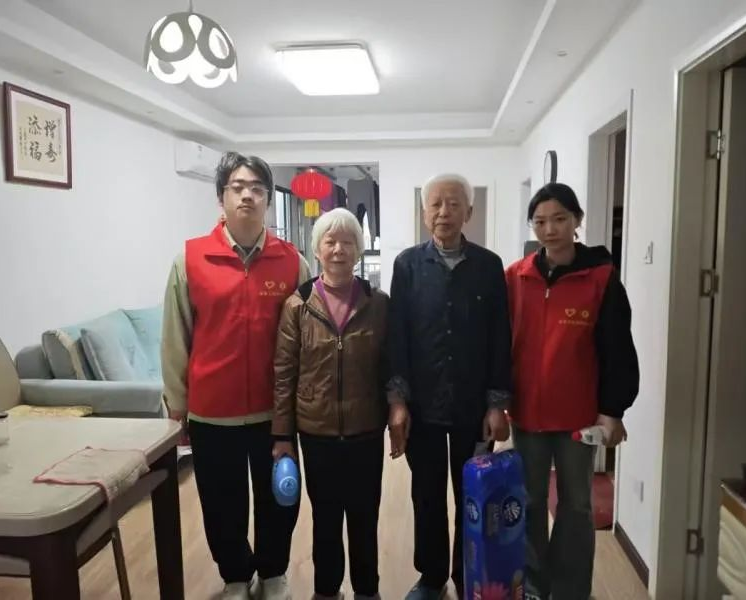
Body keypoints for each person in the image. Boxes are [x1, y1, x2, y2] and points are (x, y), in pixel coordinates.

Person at [161, 152, 311, 600]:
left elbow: (307, 339)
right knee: (220, 501)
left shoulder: (292, 262)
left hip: (275, 411)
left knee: (279, 496)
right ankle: (235, 577)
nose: (248, 195)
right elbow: (175, 336)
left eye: (257, 188)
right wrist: (177, 404)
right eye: (238, 187)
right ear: (222, 197)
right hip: (213, 410)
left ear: (268, 199)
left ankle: (273, 573)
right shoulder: (191, 260)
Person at [505, 183, 639, 600]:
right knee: (529, 501)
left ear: (577, 220)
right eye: (540, 221)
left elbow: (618, 348)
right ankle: (533, 586)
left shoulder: (601, 278)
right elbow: (499, 343)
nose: (550, 229)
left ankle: (570, 590)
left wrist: (612, 410)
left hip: (579, 417)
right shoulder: (516, 276)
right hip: (527, 413)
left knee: (577, 505)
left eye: (559, 219)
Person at [388, 174, 512, 600]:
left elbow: (500, 337)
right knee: (426, 493)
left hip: (473, 406)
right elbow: (398, 336)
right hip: (422, 406)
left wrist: (497, 404)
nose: (444, 212)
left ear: (469, 212)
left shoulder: (489, 266)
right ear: (424, 213)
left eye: (454, 204)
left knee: (472, 494)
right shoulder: (407, 265)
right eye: (436, 204)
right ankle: (432, 576)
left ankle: (468, 574)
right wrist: (397, 400)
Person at [273, 208, 389, 600]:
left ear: (359, 249)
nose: (339, 249)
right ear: (317, 249)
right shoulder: (298, 305)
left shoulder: (378, 304)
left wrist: (397, 412)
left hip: (365, 430)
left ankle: (367, 591)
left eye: (348, 241)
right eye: (330, 241)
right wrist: (282, 436)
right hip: (316, 431)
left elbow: (391, 365)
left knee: (364, 517)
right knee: (325, 518)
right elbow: (284, 373)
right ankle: (326, 591)